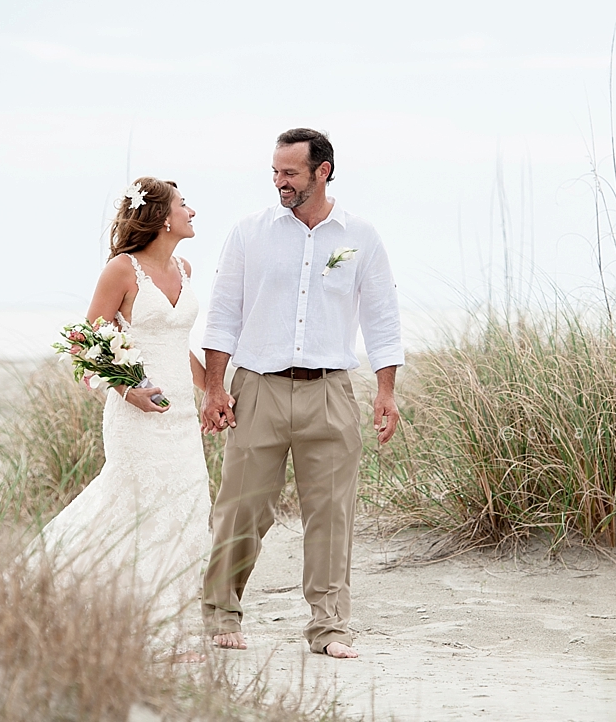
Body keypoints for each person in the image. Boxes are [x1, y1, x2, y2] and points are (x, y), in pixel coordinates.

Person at [199, 128, 404, 659]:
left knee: (332, 514)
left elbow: (382, 318)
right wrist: (215, 387)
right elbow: (222, 314)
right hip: (258, 389)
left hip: (332, 391)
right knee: (242, 508)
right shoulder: (249, 233)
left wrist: (386, 392)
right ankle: (221, 611)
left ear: (323, 171)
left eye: (289, 173)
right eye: (274, 172)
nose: (279, 183)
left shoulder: (361, 236)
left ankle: (330, 627)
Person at [29, 176, 211, 661]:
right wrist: (129, 391)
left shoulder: (185, 267)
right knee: (136, 510)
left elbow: (178, 346)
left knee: (186, 512)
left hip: (182, 416)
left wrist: (213, 391)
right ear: (161, 216)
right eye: (184, 204)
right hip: (137, 418)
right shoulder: (122, 270)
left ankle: (168, 623)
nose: (193, 211)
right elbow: (84, 343)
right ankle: (144, 631)